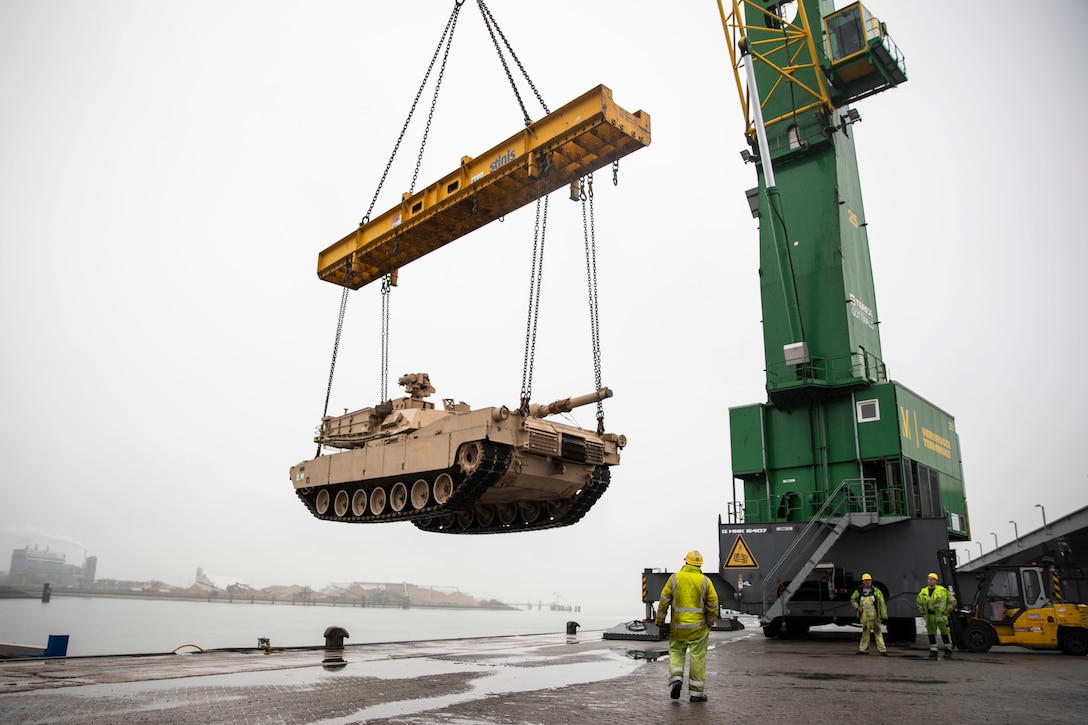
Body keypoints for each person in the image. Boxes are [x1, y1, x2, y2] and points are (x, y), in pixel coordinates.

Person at [655, 549, 719, 703]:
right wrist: (709, 622)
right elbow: (713, 605)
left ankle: (676, 679)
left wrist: (660, 621)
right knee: (697, 658)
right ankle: (696, 695)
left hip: (678, 628)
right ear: (700, 565)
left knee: (677, 652)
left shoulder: (675, 578)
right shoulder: (705, 581)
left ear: (686, 562)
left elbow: (664, 600)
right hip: (698, 629)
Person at [917, 572, 957, 659]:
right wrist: (922, 611)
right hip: (929, 616)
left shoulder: (942, 590)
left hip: (940, 615)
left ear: (936, 581)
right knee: (931, 633)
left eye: (932, 579)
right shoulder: (923, 591)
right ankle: (933, 650)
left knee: (945, 633)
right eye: (929, 579)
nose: (930, 581)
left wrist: (947, 610)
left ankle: (948, 649)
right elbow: (919, 602)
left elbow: (952, 601)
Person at [849, 573, 887, 655]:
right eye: (866, 580)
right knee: (865, 633)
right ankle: (863, 649)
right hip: (865, 617)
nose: (868, 582)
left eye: (869, 580)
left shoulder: (876, 592)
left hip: (875, 616)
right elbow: (852, 599)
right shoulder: (859, 591)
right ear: (863, 582)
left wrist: (883, 615)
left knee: (878, 633)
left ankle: (882, 650)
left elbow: (882, 604)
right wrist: (857, 607)